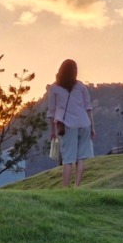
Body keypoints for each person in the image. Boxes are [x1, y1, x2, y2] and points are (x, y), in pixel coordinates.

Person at [48, 59, 95, 187]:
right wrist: (92, 128)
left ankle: (65, 187)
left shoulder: (54, 88)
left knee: (68, 159)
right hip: (85, 123)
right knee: (81, 158)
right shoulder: (80, 86)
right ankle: (77, 186)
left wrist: (52, 131)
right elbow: (88, 108)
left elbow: (51, 112)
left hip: (67, 125)